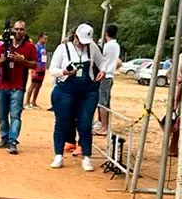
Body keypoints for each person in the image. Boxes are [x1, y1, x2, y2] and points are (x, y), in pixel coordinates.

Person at [48, 23, 106, 171]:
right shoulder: (63, 48)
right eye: (81, 41)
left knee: (85, 124)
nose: (83, 45)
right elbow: (53, 70)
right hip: (66, 89)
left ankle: (86, 156)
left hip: (87, 91)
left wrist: (103, 71)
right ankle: (58, 154)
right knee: (62, 122)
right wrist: (64, 72)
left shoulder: (92, 48)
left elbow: (102, 62)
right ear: (75, 36)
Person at [0, 20, 37, 155]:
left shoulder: (30, 47)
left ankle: (12, 141)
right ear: (12, 30)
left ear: (25, 31)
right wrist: (2, 61)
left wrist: (21, 61)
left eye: (21, 29)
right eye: (16, 29)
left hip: (18, 86)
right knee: (2, 114)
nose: (18, 32)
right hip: (3, 85)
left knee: (15, 114)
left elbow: (35, 65)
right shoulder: (3, 46)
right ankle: (4, 137)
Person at [95, 24, 120, 136]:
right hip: (110, 75)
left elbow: (103, 59)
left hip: (105, 75)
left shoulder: (108, 46)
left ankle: (104, 127)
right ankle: (104, 124)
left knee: (102, 102)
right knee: (106, 101)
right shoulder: (116, 45)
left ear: (106, 33)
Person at [26, 32, 48, 109]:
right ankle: (27, 102)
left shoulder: (44, 46)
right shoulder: (36, 46)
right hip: (36, 68)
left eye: (46, 39)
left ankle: (34, 101)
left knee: (39, 85)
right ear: (40, 38)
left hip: (42, 68)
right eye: (44, 38)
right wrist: (34, 69)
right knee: (33, 85)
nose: (46, 40)